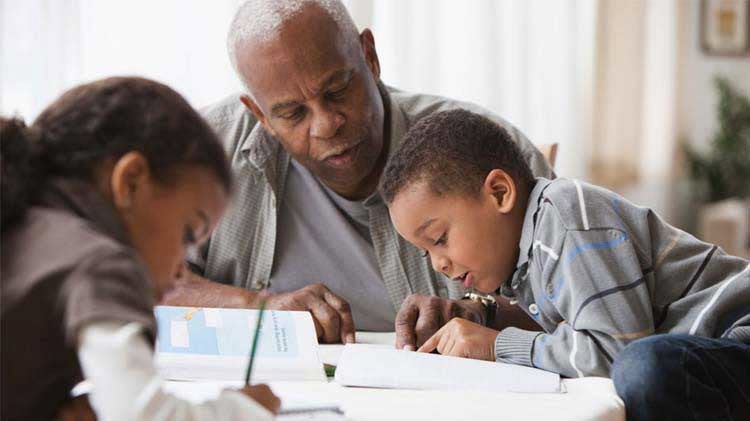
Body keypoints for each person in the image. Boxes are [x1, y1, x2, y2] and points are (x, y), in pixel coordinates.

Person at [164, 0, 553, 346]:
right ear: (259, 114)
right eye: (292, 113)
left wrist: (479, 311)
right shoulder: (207, 149)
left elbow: (575, 296)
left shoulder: (479, 148)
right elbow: (134, 280)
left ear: (369, 56)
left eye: (337, 90)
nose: (326, 124)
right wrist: (258, 308)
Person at [380, 109, 750, 420]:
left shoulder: (566, 217)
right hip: (708, 355)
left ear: (499, 193)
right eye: (425, 251)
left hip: (737, 328)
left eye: (439, 238)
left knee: (641, 368)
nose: (439, 264)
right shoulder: (523, 263)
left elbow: (612, 350)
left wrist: (497, 346)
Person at [0, 77, 280, 421]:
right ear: (130, 181)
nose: (182, 270)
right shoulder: (98, 262)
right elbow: (144, 417)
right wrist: (246, 409)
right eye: (188, 233)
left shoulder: (31, 229)